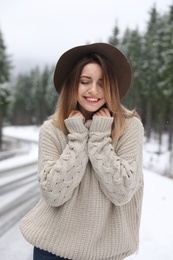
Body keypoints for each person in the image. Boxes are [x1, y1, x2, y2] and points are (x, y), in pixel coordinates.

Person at [20, 42, 144, 260]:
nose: (93, 90)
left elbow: (123, 191)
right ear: (72, 85)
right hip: (51, 250)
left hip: (105, 253)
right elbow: (53, 194)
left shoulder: (130, 127)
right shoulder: (52, 130)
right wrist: (77, 139)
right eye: (85, 81)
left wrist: (99, 137)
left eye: (102, 83)